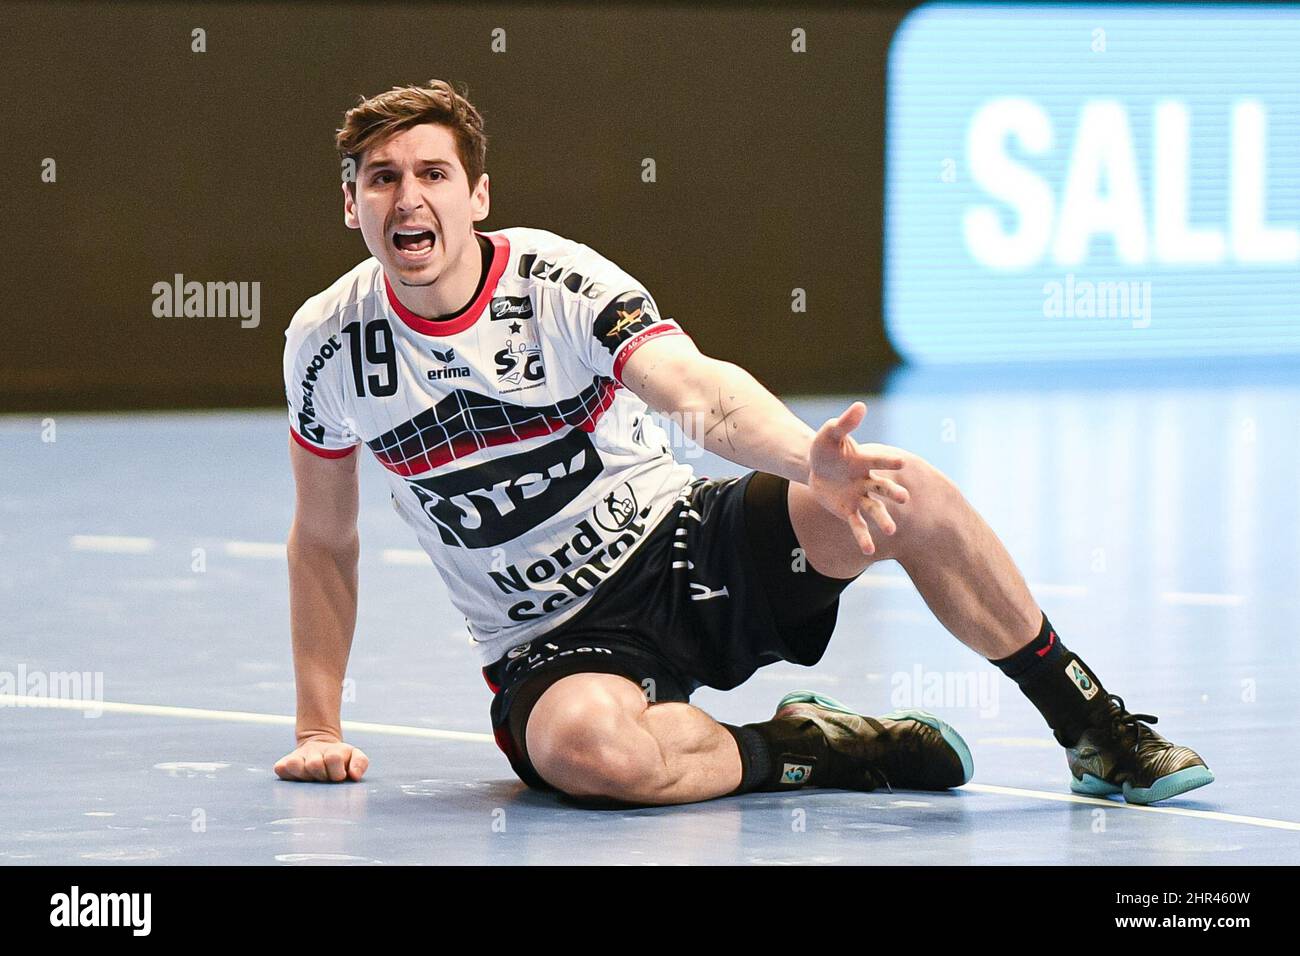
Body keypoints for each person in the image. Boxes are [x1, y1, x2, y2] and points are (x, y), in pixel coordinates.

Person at [274, 79, 1213, 807]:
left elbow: (699, 394)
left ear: (476, 195)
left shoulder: (556, 283)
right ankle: (809, 746)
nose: (408, 197)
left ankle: (1096, 730)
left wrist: (812, 461)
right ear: (349, 204)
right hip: (549, 639)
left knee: (903, 491)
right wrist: (319, 727)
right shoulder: (327, 349)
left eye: (432, 173)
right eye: (382, 178)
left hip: (683, 545)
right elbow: (323, 539)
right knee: (590, 756)